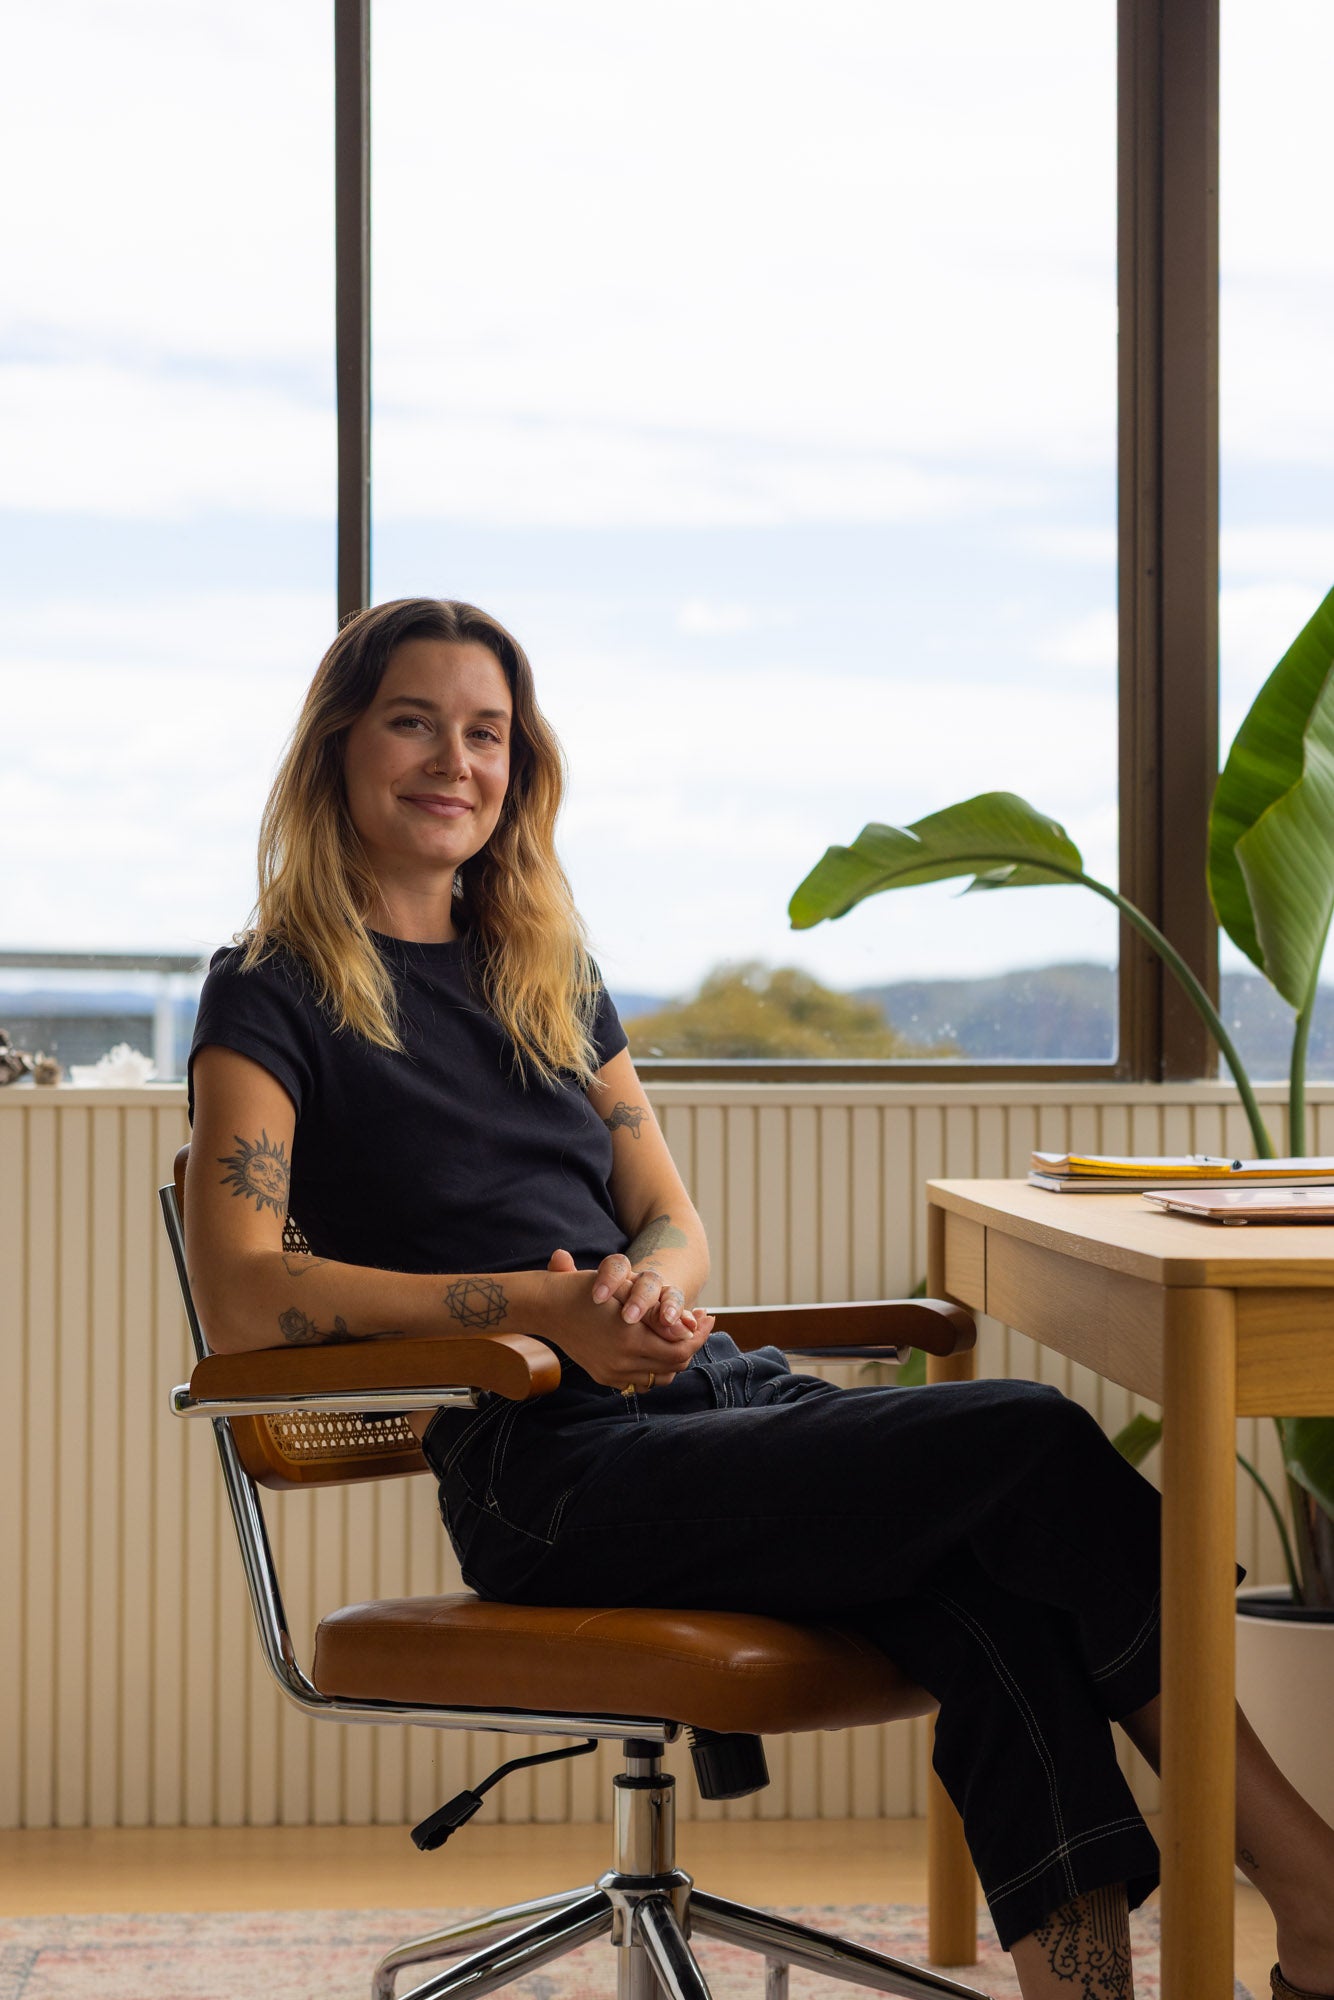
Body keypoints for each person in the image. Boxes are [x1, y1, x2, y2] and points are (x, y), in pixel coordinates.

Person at [186, 597, 1334, 2000]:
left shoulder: (548, 973)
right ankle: (1313, 1889)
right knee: (1028, 1441)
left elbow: (672, 1220)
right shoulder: (271, 989)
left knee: (1001, 1608)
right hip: (541, 1468)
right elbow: (244, 1294)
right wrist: (540, 1313)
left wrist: (647, 1294)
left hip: (713, 1400)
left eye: (486, 732)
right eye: (413, 723)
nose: (455, 761)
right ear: (339, 748)